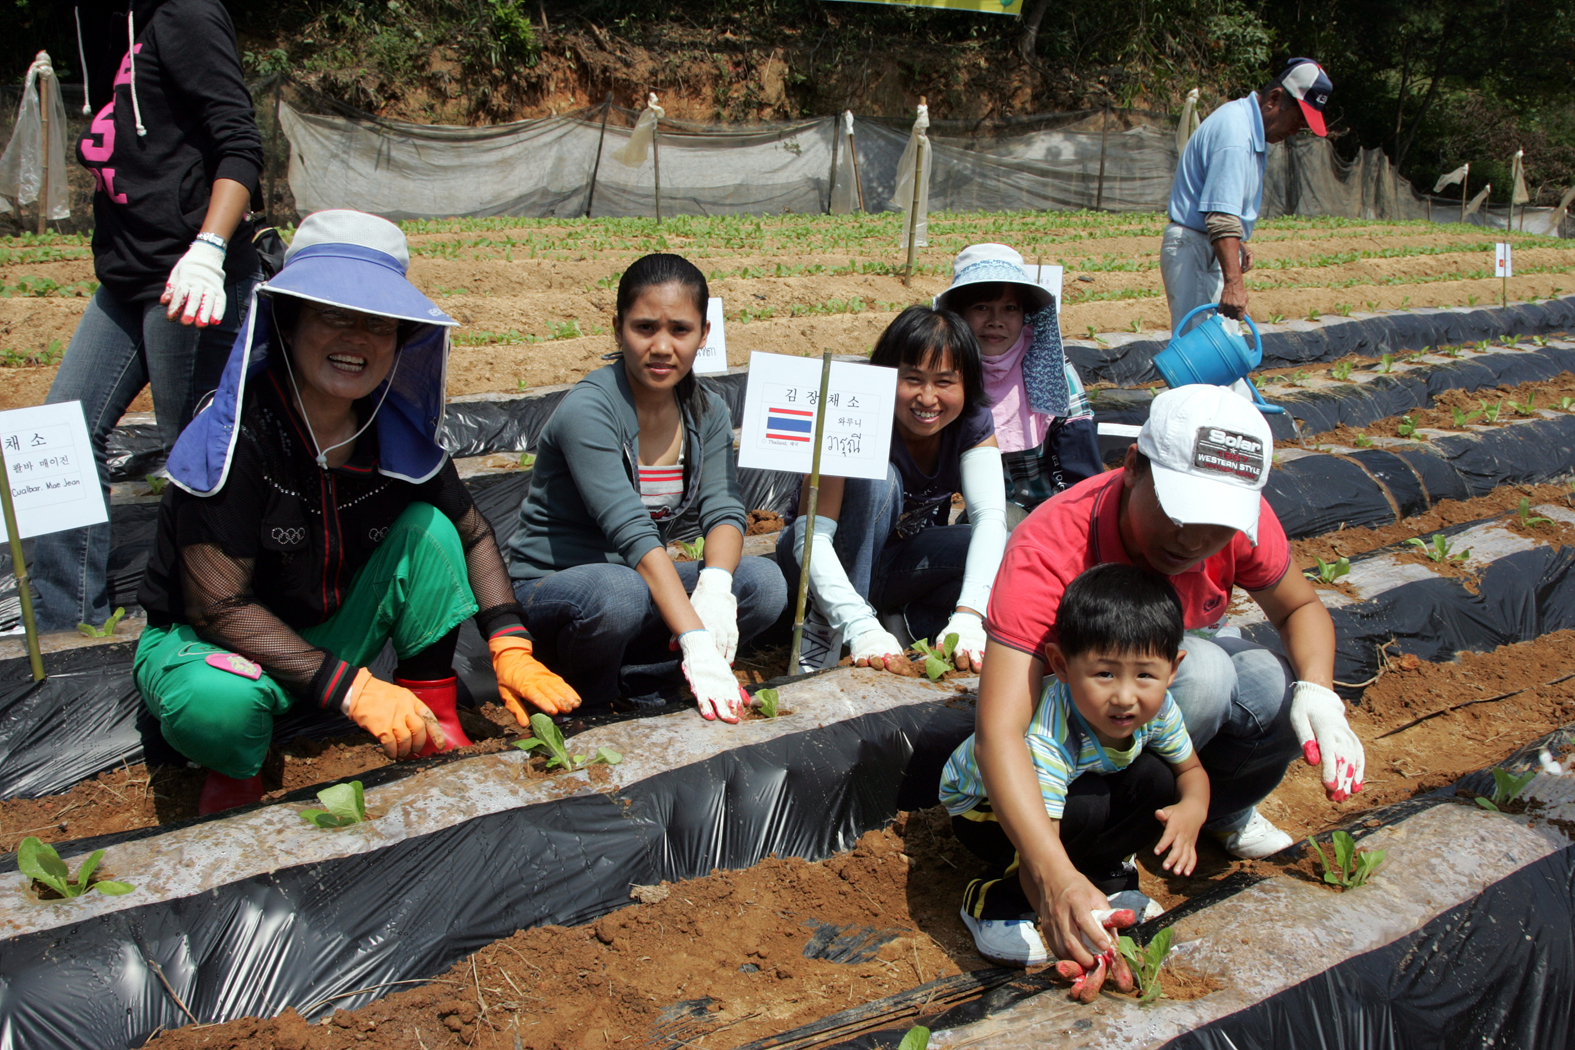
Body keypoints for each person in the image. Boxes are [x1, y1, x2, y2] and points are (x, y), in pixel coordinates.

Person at [135, 210, 579, 814]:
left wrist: (508, 643)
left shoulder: (395, 436)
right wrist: (356, 689)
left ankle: (432, 713)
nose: (357, 339)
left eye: (379, 324)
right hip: (215, 643)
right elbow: (219, 607)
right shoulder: (238, 436)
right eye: (333, 316)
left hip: (330, 629)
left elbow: (473, 534)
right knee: (218, 705)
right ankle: (234, 768)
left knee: (432, 530)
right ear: (288, 322)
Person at [971, 383, 1364, 967]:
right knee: (1204, 673)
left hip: (1157, 702)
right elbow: (999, 730)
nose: (1197, 542)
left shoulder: (1239, 525)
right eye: (1182, 514)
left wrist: (1320, 692)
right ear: (1132, 466)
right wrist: (1051, 875)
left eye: (1218, 525)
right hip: (1074, 732)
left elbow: (1300, 608)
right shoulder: (1052, 544)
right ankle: (1105, 840)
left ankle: (1208, 812)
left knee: (1274, 685)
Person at [34, 0, 268, 631]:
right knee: (56, 437)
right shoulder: (105, 23)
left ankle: (220, 621)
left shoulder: (184, 12)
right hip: (127, 278)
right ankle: (69, 627)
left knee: (195, 452)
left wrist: (209, 250)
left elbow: (240, 144)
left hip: (187, 275)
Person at [505, 254, 787, 722]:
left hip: (636, 584)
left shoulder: (706, 411)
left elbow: (724, 509)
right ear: (618, 330)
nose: (661, 346)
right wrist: (697, 637)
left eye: (680, 330)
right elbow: (630, 530)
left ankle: (646, 683)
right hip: (557, 592)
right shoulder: (590, 410)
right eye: (644, 328)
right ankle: (585, 700)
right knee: (616, 592)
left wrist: (715, 589)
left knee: (762, 583)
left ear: (704, 334)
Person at [940, 564, 1208, 967]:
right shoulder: (1048, 734)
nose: (1124, 696)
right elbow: (1039, 844)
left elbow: (1191, 772)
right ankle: (997, 902)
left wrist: (1193, 809)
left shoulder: (1161, 710)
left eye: (1145, 675)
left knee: (1155, 779)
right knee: (1084, 807)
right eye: (1104, 673)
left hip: (1073, 793)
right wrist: (1061, 913)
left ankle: (1106, 881)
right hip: (988, 808)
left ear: (1173, 669)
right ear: (1061, 666)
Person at [777, 306, 1009, 675]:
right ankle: (831, 634)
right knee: (878, 478)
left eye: (945, 382)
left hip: (892, 563)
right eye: (912, 379)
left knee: (999, 547)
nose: (928, 398)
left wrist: (969, 614)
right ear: (884, 377)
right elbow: (810, 538)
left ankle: (902, 623)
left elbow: (990, 516)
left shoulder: (970, 422)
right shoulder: (852, 418)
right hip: (814, 566)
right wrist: (857, 624)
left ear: (967, 385)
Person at [1163, 58, 1332, 334]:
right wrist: (1234, 283)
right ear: (1274, 99)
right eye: (1297, 120)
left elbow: (1220, 204)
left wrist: (1236, 244)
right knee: (1202, 356)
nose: (1295, 131)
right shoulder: (1236, 135)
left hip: (1205, 248)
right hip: (1195, 250)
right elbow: (1221, 215)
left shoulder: (1247, 127)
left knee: (1221, 353)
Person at [935, 244, 1101, 520]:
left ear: (1025, 315)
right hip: (982, 513)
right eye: (982, 307)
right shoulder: (948, 372)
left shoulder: (1050, 367)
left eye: (1009, 308)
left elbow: (1080, 472)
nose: (996, 321)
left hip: (1052, 514)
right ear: (959, 315)